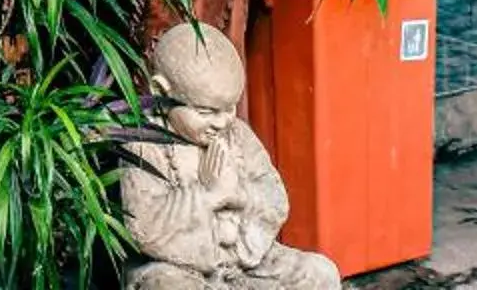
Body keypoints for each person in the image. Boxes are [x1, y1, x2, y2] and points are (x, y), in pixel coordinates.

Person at [116, 22, 341, 290]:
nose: (222, 122)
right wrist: (208, 195)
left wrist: (239, 194)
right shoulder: (143, 145)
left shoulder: (237, 135)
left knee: (320, 273)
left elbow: (274, 196)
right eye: (206, 111)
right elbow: (145, 228)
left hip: (244, 261)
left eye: (230, 108)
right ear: (161, 92)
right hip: (173, 268)